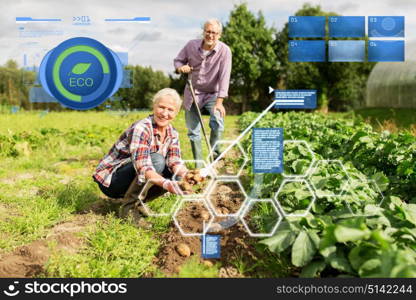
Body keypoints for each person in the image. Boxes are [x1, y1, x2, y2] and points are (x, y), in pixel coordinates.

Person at [93, 88, 188, 221]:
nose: (165, 113)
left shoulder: (173, 133)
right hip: (112, 180)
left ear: (176, 113)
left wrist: (188, 175)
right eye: (161, 107)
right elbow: (143, 166)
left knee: (176, 175)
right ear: (154, 107)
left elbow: (175, 161)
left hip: (135, 175)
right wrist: (166, 184)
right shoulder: (141, 128)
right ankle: (128, 209)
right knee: (157, 160)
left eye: (170, 110)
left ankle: (139, 203)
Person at [174, 18, 232, 165]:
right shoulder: (191, 45)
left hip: (212, 93)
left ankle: (215, 153)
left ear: (219, 35)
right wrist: (181, 68)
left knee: (217, 121)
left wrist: (220, 102)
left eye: (214, 32)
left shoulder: (224, 51)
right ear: (203, 32)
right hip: (193, 93)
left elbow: (225, 76)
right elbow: (178, 60)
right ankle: (199, 166)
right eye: (208, 31)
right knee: (193, 132)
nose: (210, 35)